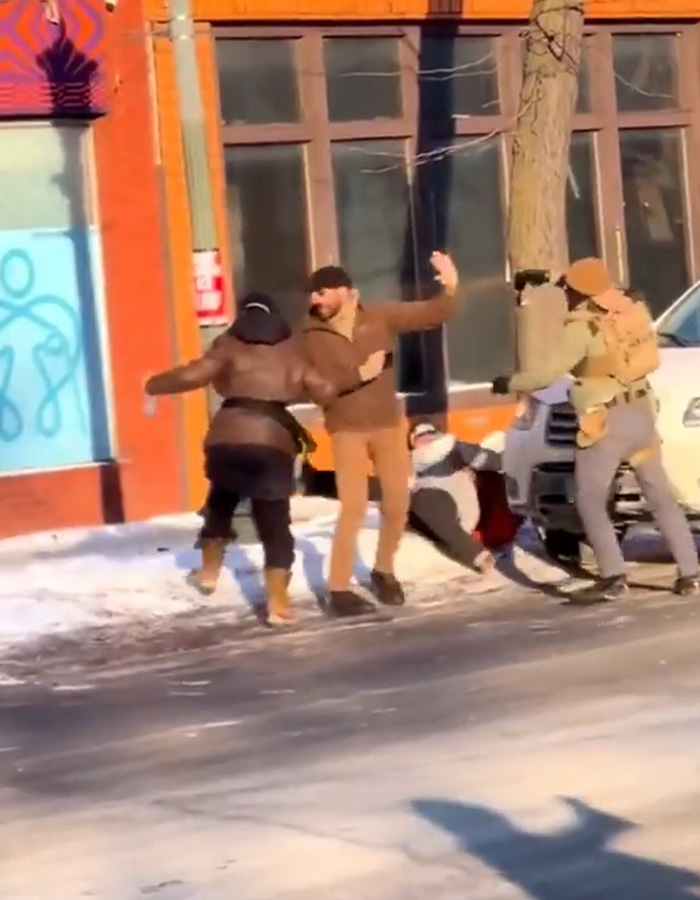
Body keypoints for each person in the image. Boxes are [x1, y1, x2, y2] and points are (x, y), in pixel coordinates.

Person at [144, 293, 384, 626]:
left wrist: (153, 385)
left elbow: (192, 375)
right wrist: (358, 376)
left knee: (221, 499)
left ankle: (209, 572)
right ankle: (278, 603)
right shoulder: (293, 349)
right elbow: (325, 390)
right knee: (274, 522)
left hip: (227, 436)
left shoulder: (228, 343)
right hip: (272, 443)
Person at [491, 257, 700, 604]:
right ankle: (690, 573)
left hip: (606, 423)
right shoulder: (633, 310)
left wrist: (507, 382)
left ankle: (613, 576)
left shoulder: (584, 328)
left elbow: (545, 375)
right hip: (641, 415)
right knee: (660, 496)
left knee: (589, 498)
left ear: (578, 291)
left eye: (569, 289)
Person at [302, 251, 459, 617]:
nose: (315, 300)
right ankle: (338, 589)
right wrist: (359, 374)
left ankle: (384, 570)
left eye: (322, 293)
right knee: (353, 508)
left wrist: (451, 285)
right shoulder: (310, 336)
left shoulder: (378, 317)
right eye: (312, 294)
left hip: (388, 426)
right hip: (347, 431)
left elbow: (433, 314)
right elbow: (316, 389)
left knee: (396, 504)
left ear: (344, 291)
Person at [407, 422, 497, 573]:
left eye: (428, 434)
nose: (424, 440)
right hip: (431, 514)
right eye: (419, 437)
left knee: (423, 500)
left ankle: (475, 554)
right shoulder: (411, 462)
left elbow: (489, 460)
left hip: (455, 505)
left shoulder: (451, 448)